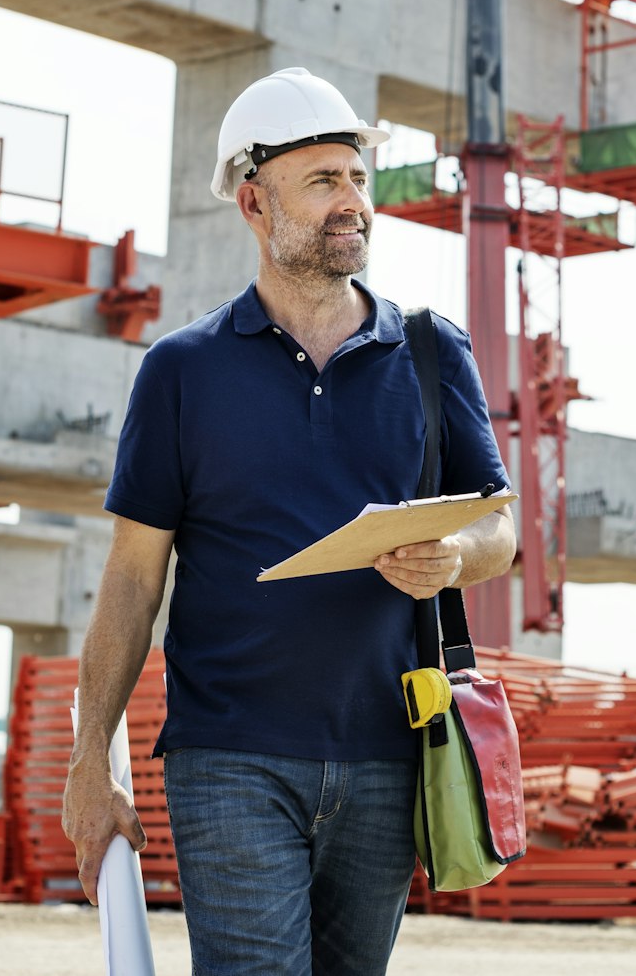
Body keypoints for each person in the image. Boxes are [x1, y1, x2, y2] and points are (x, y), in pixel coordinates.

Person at [62, 66, 516, 976]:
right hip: (230, 756)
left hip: (391, 752)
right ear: (254, 203)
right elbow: (132, 577)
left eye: (358, 177)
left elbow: (499, 531)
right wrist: (89, 766)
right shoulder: (183, 371)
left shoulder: (432, 351)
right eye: (323, 181)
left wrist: (453, 556)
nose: (353, 200)